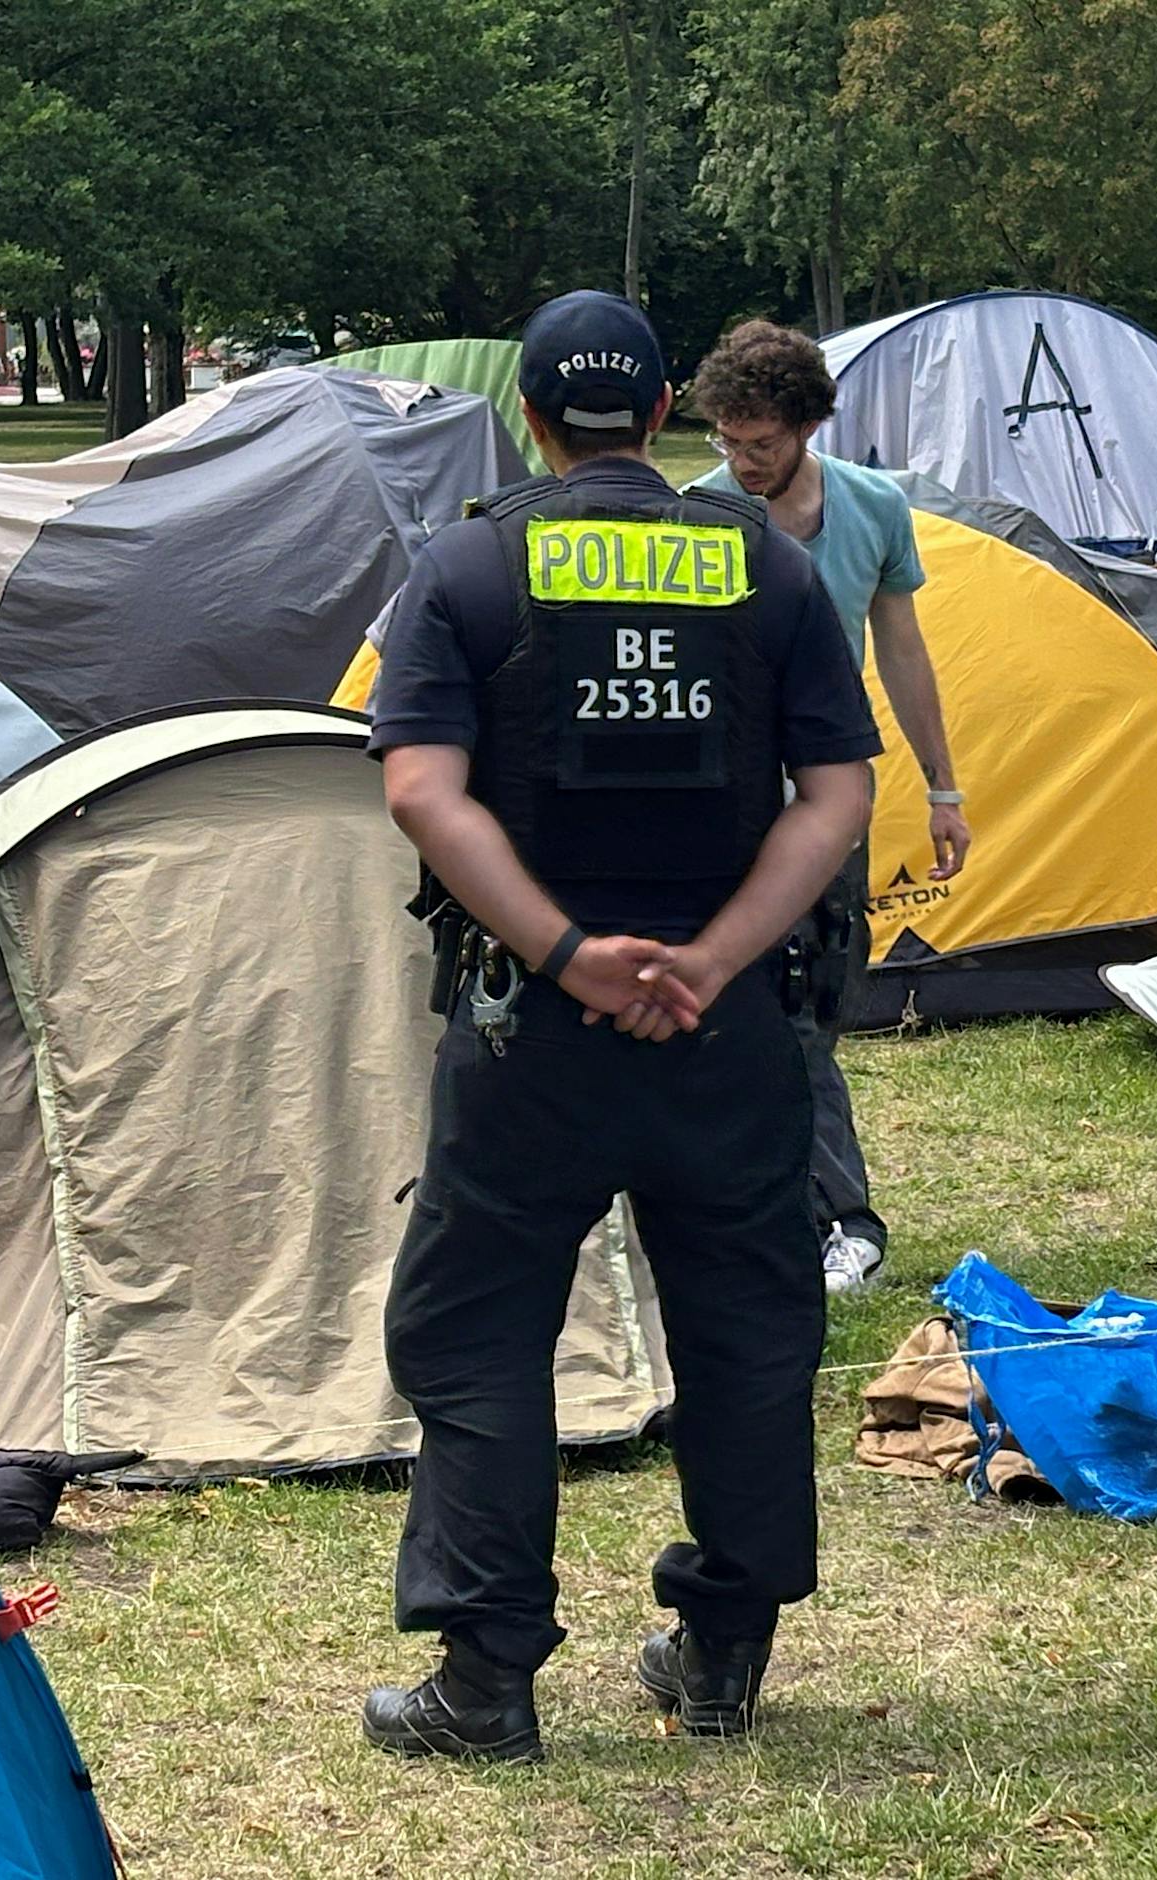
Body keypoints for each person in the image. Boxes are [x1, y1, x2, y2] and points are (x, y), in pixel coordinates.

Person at [361, 290, 880, 1763]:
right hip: (732, 1036)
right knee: (750, 1337)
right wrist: (708, 961)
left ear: (528, 415)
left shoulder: (466, 563)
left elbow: (420, 790)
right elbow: (836, 796)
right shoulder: (768, 570)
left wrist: (572, 954)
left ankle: (486, 1685)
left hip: (535, 1033)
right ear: (663, 418)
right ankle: (719, 1659)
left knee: (475, 1335)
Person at [689, 321, 971, 1295]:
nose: (740, 459)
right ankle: (742, 1214)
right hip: (719, 802)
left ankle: (839, 1224)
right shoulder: (695, 515)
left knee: (810, 1014)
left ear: (806, 425)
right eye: (726, 440)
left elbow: (901, 650)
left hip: (827, 799)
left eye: (758, 442)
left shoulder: (872, 509)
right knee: (716, 1012)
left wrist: (942, 788)